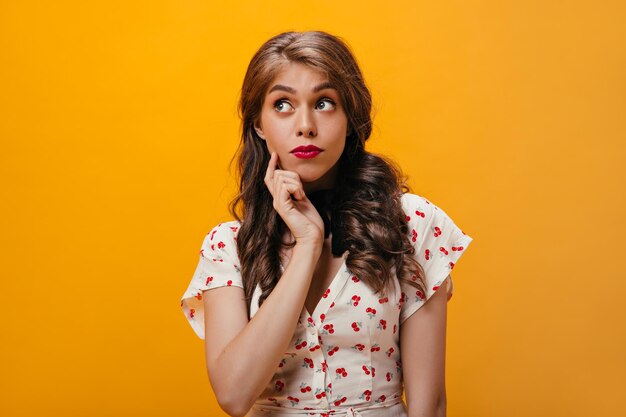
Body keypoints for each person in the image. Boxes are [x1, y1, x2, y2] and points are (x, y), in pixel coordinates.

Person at [180, 30, 473, 417]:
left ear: (350, 119)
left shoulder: (411, 224)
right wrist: (307, 245)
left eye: (324, 103)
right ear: (259, 125)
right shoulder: (228, 247)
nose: (306, 126)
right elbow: (233, 395)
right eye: (282, 104)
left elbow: (429, 404)